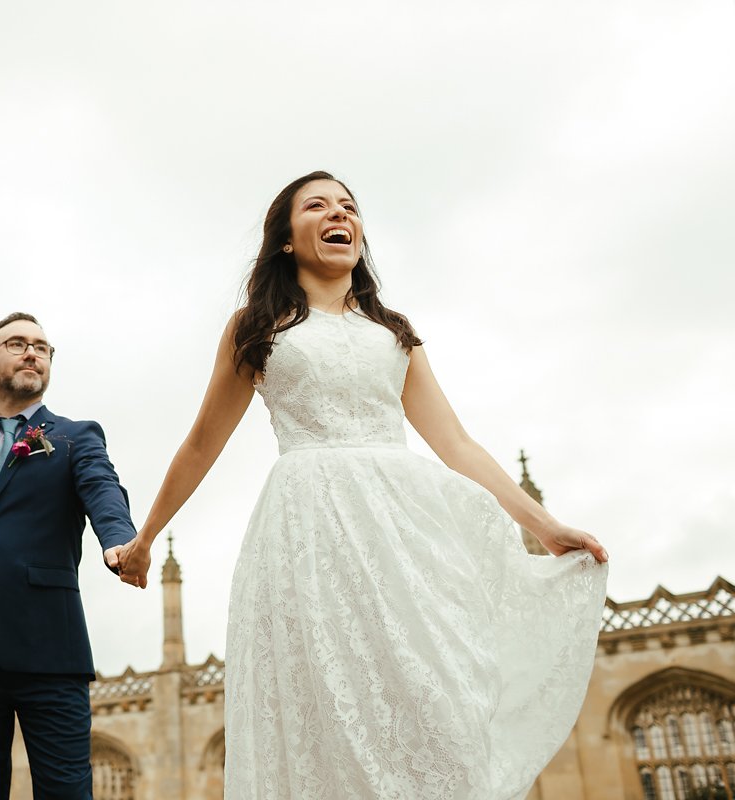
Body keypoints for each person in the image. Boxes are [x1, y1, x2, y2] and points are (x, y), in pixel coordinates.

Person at [116, 172, 610, 799]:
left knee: (443, 702)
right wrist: (145, 536)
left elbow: (455, 444)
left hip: (407, 530)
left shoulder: (395, 331)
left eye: (347, 206)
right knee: (329, 713)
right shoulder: (257, 327)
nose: (337, 213)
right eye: (316, 206)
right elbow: (200, 443)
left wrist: (545, 525)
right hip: (309, 530)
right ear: (287, 239)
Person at [0, 312, 138, 800]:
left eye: (42, 347)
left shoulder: (73, 436)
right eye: (17, 344)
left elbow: (103, 491)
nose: (32, 353)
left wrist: (117, 540)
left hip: (49, 649)